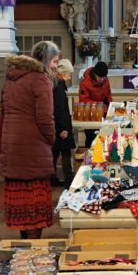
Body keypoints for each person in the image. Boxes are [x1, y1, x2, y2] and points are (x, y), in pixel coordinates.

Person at [0, 40, 58, 238]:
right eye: (55, 61)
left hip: (12, 145)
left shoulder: (12, 78)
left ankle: (24, 247)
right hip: (33, 149)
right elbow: (45, 118)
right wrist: (51, 140)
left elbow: (4, 111)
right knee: (34, 208)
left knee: (21, 208)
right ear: (46, 60)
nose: (56, 66)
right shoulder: (40, 79)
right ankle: (33, 256)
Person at [52, 57, 75, 188]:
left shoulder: (58, 85)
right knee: (65, 154)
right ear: (62, 73)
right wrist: (64, 129)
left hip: (59, 126)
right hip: (61, 127)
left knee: (55, 153)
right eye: (68, 73)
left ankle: (52, 177)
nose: (70, 76)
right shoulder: (58, 88)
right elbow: (60, 109)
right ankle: (69, 181)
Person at [79, 60, 112, 147]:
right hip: (90, 115)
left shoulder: (105, 79)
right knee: (91, 139)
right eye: (99, 77)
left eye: (103, 78)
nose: (101, 80)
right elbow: (83, 100)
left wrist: (110, 106)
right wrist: (99, 105)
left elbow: (108, 94)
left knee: (103, 138)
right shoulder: (85, 83)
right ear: (94, 74)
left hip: (102, 114)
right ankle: (88, 158)